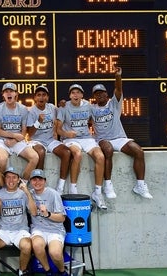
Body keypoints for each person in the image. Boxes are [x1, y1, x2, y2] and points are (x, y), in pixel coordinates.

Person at [91, 67, 153, 199]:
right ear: (94, 97)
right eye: (97, 93)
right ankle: (108, 185)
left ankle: (140, 185)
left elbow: (118, 90)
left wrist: (118, 76)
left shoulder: (114, 104)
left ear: (107, 94)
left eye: (102, 93)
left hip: (119, 138)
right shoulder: (91, 108)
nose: (100, 95)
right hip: (102, 139)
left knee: (138, 151)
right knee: (107, 150)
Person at [56, 84, 107, 210]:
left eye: (78, 92)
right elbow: (58, 129)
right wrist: (67, 133)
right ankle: (73, 189)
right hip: (70, 139)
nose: (75, 95)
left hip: (86, 138)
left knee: (100, 157)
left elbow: (97, 118)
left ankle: (98, 193)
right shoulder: (64, 107)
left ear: (82, 95)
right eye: (73, 92)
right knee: (77, 154)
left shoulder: (88, 106)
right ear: (70, 95)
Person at [0, 166, 37, 276]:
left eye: (14, 177)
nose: (11, 180)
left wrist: (27, 192)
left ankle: (21, 271)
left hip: (20, 230)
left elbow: (33, 212)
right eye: (8, 177)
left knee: (27, 246)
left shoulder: (23, 193)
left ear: (19, 179)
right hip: (4, 230)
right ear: (4, 179)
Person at [27, 85, 72, 195]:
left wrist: (62, 104)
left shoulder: (52, 108)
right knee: (41, 152)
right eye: (38, 95)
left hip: (51, 140)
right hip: (36, 141)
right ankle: (37, 184)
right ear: (35, 98)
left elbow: (62, 110)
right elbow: (30, 133)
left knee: (67, 152)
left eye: (43, 95)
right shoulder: (31, 111)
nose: (41, 97)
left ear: (47, 97)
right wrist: (38, 121)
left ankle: (60, 186)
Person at [0, 82, 39, 180]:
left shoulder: (23, 109)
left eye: (11, 91)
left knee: (34, 157)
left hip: (17, 140)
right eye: (6, 92)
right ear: (3, 95)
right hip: (1, 140)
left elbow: (23, 132)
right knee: (3, 159)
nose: (9, 94)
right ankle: (1, 185)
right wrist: (13, 135)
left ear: (16, 94)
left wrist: (15, 140)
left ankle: (23, 183)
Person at [28, 169, 67, 275]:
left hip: (55, 229)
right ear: (31, 182)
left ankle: (62, 272)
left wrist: (48, 214)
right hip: (38, 228)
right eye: (34, 180)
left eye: (40, 179)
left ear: (45, 181)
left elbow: (62, 218)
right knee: (37, 245)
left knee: (55, 253)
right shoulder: (29, 194)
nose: (37, 182)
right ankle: (48, 271)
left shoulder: (54, 194)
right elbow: (34, 212)